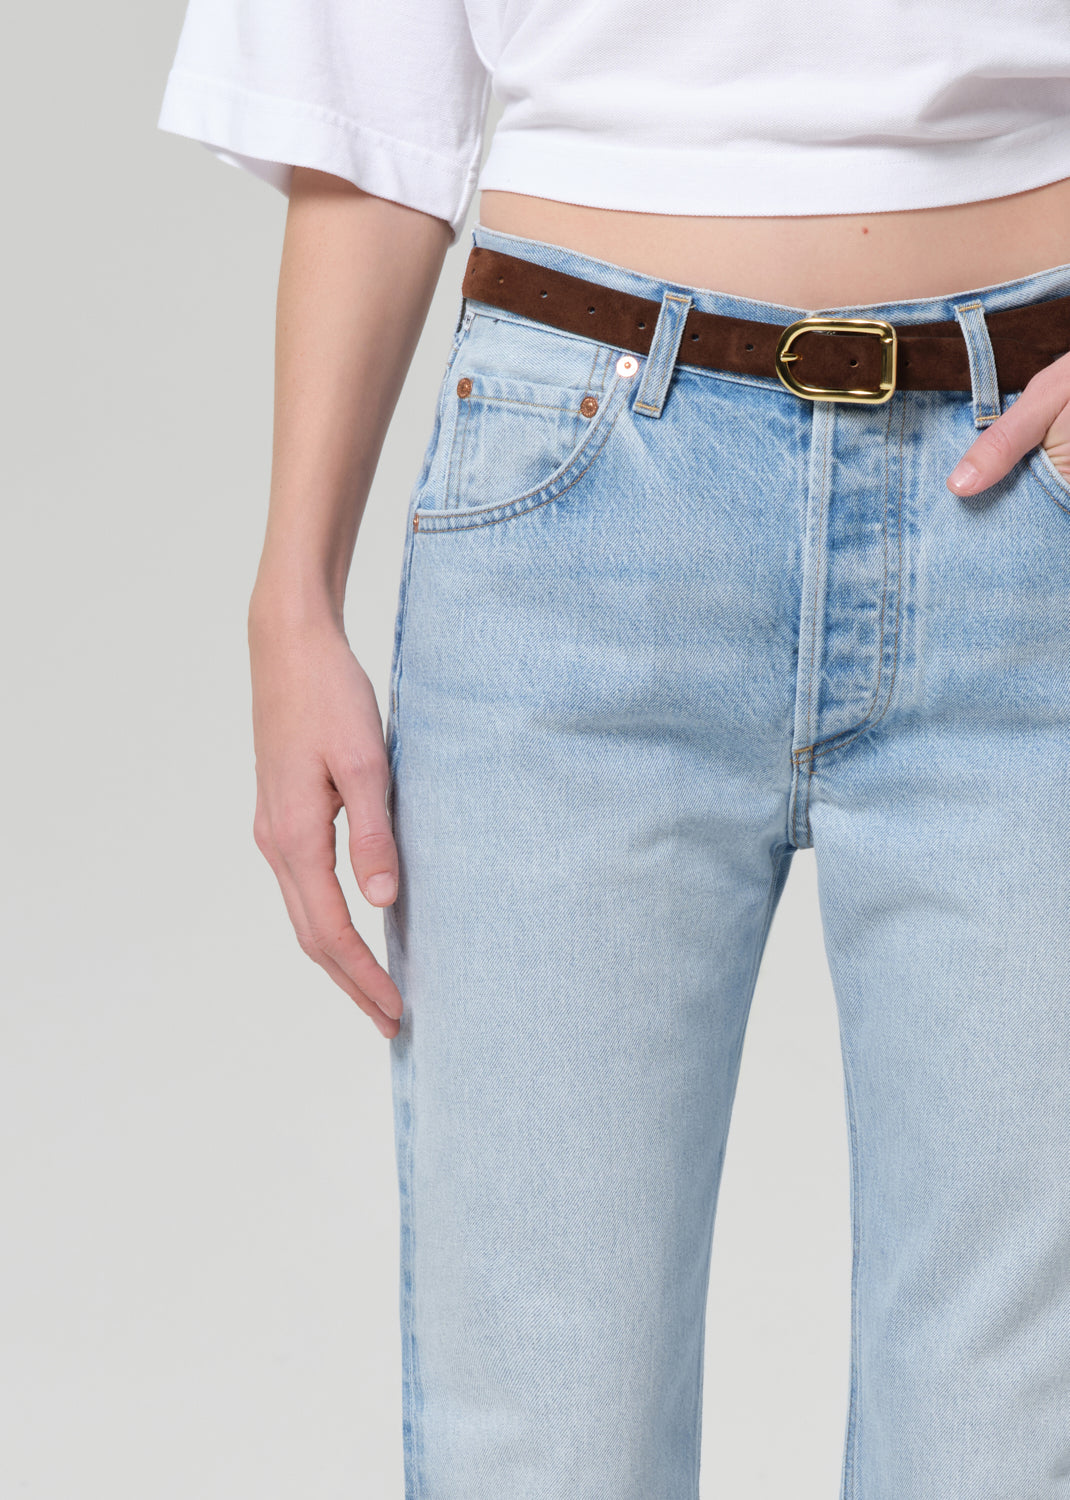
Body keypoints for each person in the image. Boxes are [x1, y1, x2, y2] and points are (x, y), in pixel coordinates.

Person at [157, 3, 1070, 1495]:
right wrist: (292, 597)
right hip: (574, 495)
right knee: (546, 1429)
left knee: (1018, 1435)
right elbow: (368, 126)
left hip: (1030, 500)